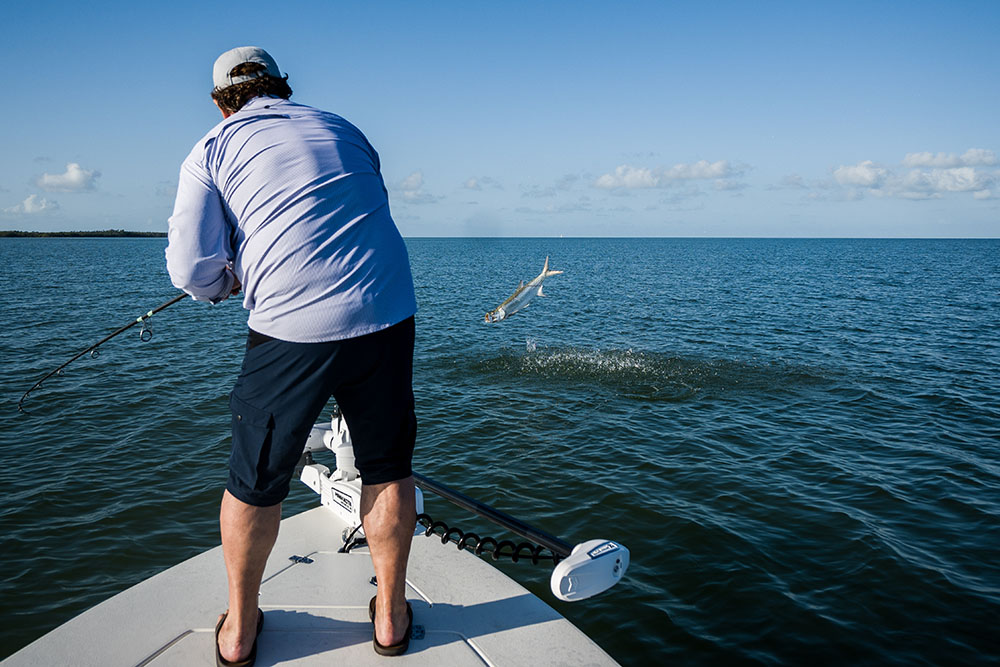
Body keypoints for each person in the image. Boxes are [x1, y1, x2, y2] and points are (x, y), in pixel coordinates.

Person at [165, 46, 418, 664]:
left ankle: (241, 628)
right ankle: (389, 616)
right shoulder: (343, 127)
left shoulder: (213, 148)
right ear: (282, 86)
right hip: (386, 310)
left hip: (290, 330)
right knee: (386, 467)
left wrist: (226, 283)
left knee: (255, 481)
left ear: (223, 101)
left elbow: (190, 269)